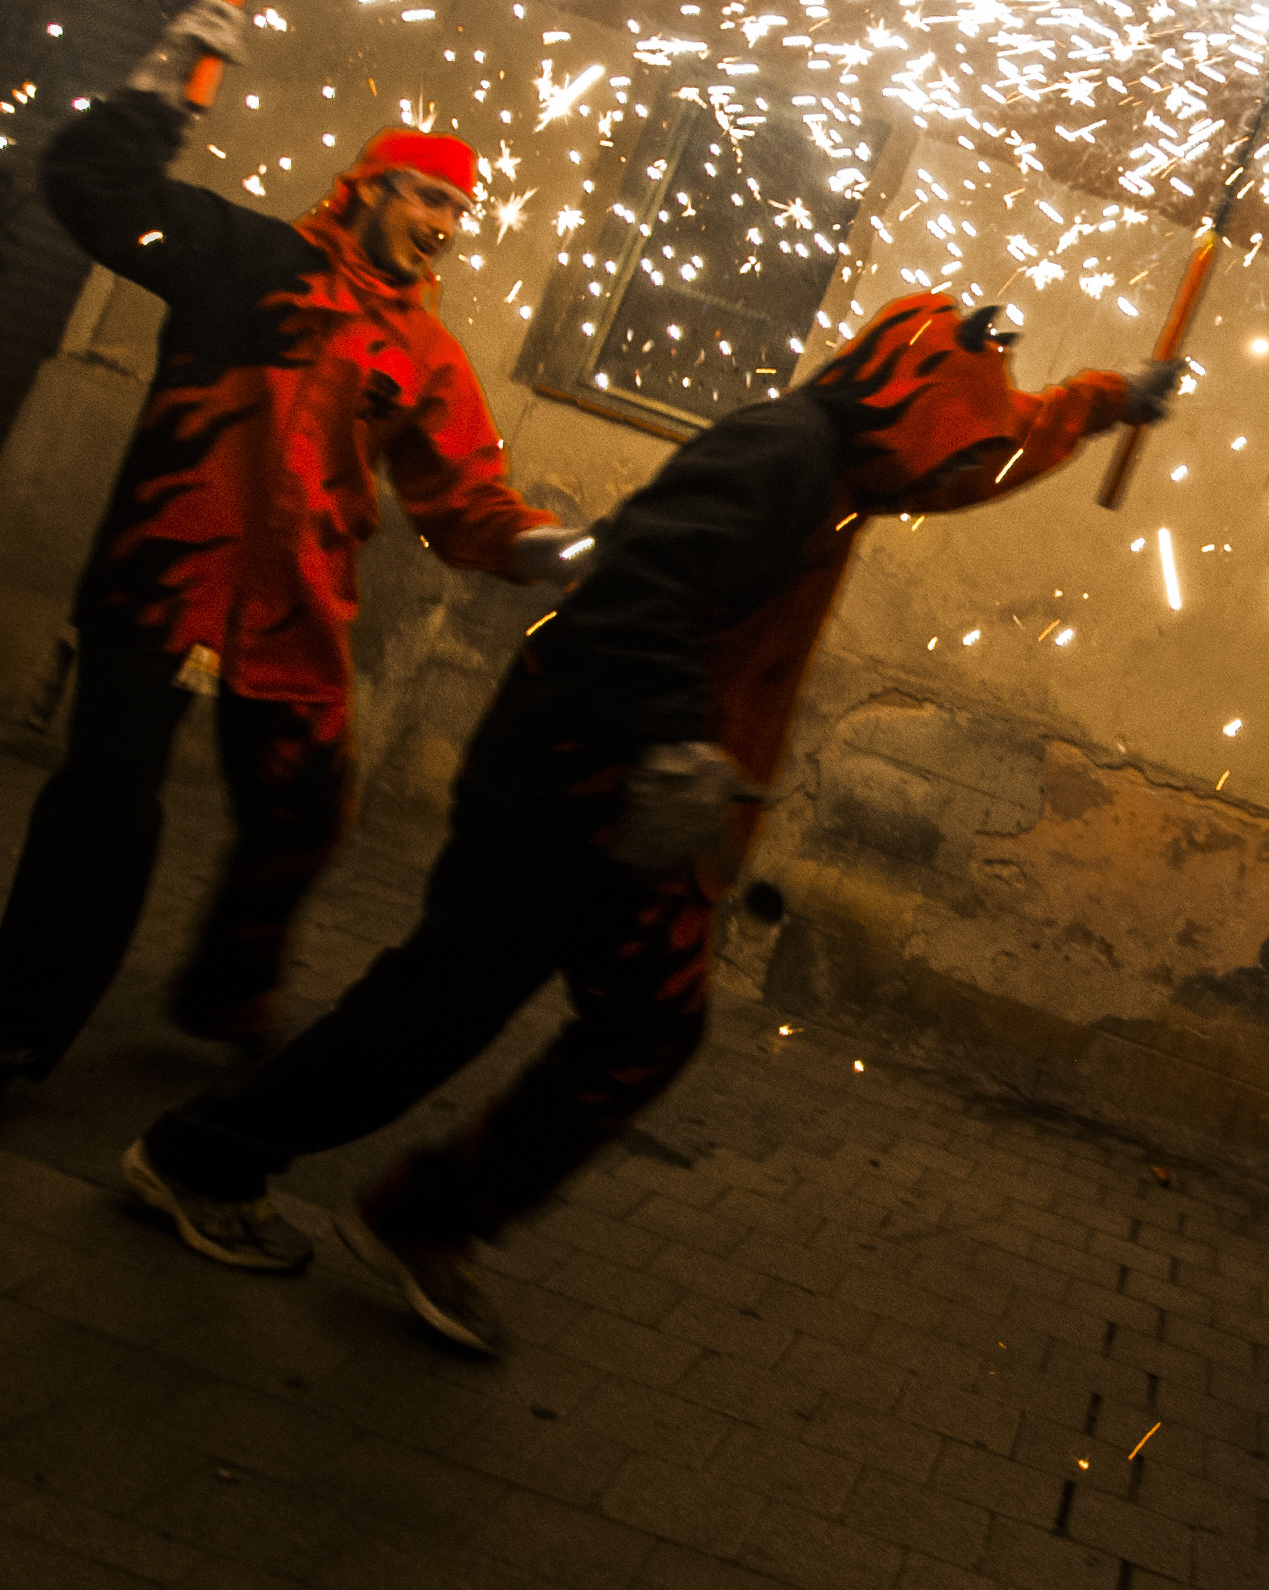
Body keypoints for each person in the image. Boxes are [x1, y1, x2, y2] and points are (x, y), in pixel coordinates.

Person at [118, 293, 1182, 1351]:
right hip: (574, 772)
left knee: (644, 1029)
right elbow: (636, 587)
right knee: (438, 1006)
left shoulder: (859, 468)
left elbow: (982, 453)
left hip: (655, 804)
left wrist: (1103, 402)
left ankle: (427, 1216)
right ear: (908, 410)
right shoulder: (781, 456)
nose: (949, 484)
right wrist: (676, 740)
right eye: (948, 453)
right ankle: (198, 1159)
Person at [0, 0, 575, 1159]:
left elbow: (465, 500)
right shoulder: (238, 258)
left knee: (303, 813)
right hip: (160, 588)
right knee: (102, 814)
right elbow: (93, 193)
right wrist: (161, 83)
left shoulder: (423, 354)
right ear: (369, 188)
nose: (445, 225)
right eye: (428, 196)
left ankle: (225, 992)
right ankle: (0, 1041)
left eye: (460, 210)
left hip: (294, 618)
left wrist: (547, 548)